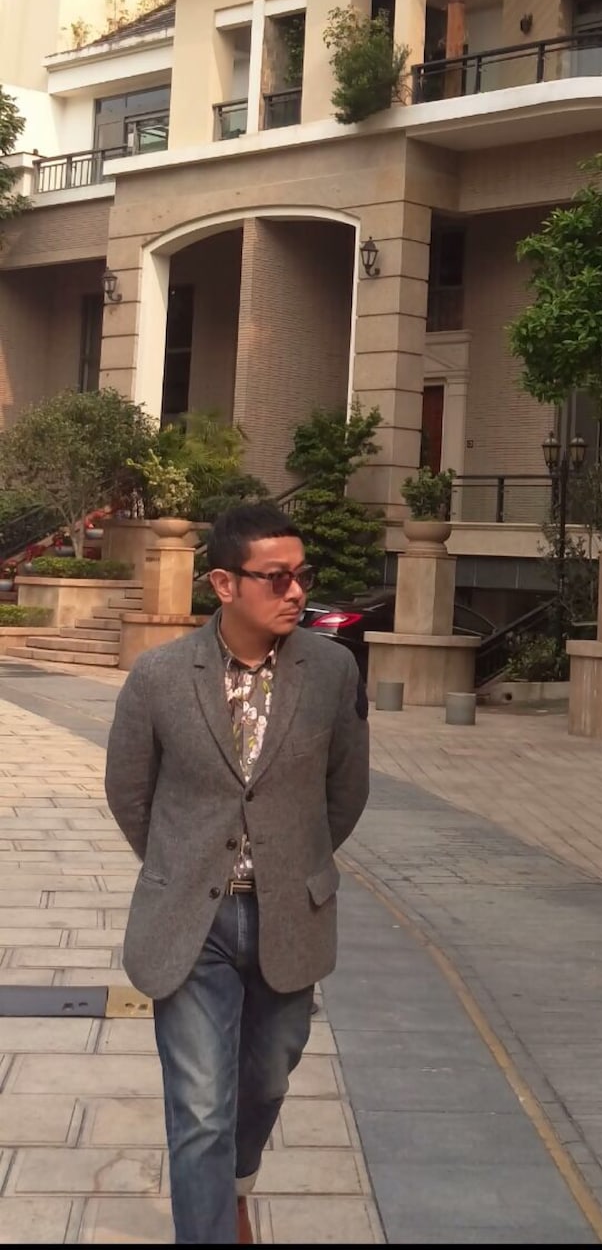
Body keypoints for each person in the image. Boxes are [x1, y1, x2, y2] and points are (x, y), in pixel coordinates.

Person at [105, 502, 370, 1244]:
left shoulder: (331, 670)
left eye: (302, 574)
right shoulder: (160, 675)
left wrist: (295, 861)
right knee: (200, 1106)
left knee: (268, 1077)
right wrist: (182, 865)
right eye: (276, 578)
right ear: (224, 584)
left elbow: (346, 790)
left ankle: (237, 1184)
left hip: (290, 912)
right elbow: (129, 792)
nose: (296, 591)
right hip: (194, 922)